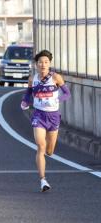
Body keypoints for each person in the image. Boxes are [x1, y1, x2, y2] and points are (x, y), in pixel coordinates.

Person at [21, 50, 71, 192]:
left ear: (49, 64)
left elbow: (67, 93)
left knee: (49, 151)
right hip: (38, 115)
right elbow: (28, 93)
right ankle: (43, 180)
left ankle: (48, 153)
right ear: (36, 64)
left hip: (53, 116)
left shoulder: (56, 77)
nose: (43, 65)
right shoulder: (32, 79)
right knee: (40, 146)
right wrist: (24, 102)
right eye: (40, 62)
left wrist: (57, 99)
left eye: (46, 62)